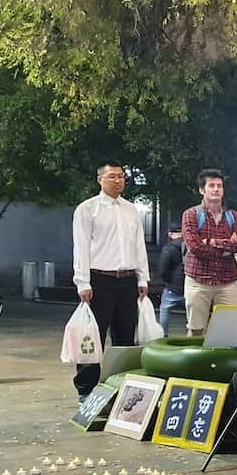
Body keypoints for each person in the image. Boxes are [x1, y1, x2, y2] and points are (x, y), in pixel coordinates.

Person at [71, 163, 150, 402]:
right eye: (112, 176)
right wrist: (82, 282)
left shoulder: (131, 210)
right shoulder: (88, 209)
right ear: (100, 179)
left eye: (121, 177)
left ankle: (121, 385)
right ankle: (86, 390)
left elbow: (140, 245)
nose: (118, 181)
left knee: (125, 338)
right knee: (91, 338)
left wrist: (143, 277)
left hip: (127, 281)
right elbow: (81, 246)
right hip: (99, 280)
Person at [180, 170, 237, 336]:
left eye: (219, 186)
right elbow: (195, 247)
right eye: (211, 185)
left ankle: (221, 362)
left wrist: (211, 242)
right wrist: (227, 246)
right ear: (202, 190)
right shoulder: (191, 215)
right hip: (198, 280)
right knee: (195, 329)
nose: (216, 189)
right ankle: (193, 361)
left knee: (228, 330)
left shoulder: (234, 216)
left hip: (227, 281)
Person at [157, 229, 185, 335]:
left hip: (173, 285)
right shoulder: (190, 246)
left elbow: (162, 270)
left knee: (164, 309)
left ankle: (164, 334)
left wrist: (167, 281)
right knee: (193, 311)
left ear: (170, 234)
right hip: (190, 284)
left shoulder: (168, 249)